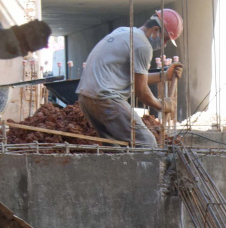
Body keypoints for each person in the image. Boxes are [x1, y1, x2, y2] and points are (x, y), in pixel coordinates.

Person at [76, 9, 184, 147]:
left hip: (86, 98)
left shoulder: (124, 32)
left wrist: (164, 76)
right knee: (147, 143)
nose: (164, 45)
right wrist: (161, 105)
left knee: (115, 147)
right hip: (106, 100)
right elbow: (141, 90)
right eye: (165, 39)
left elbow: (133, 79)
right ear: (155, 29)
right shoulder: (142, 45)